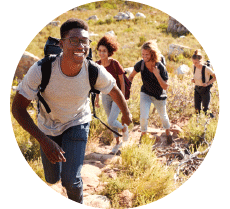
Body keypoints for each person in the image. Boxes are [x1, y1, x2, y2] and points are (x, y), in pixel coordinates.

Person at [11, 18, 132, 203]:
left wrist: (126, 113)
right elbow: (17, 108)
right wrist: (43, 140)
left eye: (84, 41)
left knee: (71, 180)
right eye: (74, 40)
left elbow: (113, 89)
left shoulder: (93, 70)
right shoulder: (42, 69)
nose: (80, 46)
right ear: (61, 43)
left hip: (77, 122)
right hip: (48, 127)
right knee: (52, 178)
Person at [128, 40, 172, 144]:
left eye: (146, 54)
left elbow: (165, 87)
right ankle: (143, 137)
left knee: (163, 117)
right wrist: (127, 88)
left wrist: (157, 75)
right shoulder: (141, 64)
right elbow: (131, 76)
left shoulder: (160, 67)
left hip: (159, 95)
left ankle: (168, 133)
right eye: (142, 54)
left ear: (152, 54)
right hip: (146, 93)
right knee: (143, 117)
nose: (144, 56)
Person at [95, 35, 129, 154]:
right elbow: (97, 83)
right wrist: (97, 97)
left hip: (117, 96)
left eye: (104, 51)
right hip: (105, 95)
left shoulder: (114, 63)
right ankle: (117, 144)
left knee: (111, 121)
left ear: (109, 51)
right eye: (99, 50)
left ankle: (124, 129)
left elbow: (122, 82)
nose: (101, 53)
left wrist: (123, 98)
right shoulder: (97, 65)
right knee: (112, 121)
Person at [191, 49, 216, 116]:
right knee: (197, 109)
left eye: (196, 62)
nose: (194, 64)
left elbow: (215, 77)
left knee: (206, 110)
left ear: (200, 61)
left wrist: (207, 83)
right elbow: (196, 76)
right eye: (193, 62)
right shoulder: (194, 67)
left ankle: (212, 121)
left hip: (205, 90)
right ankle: (198, 124)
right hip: (197, 90)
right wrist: (193, 80)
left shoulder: (206, 68)